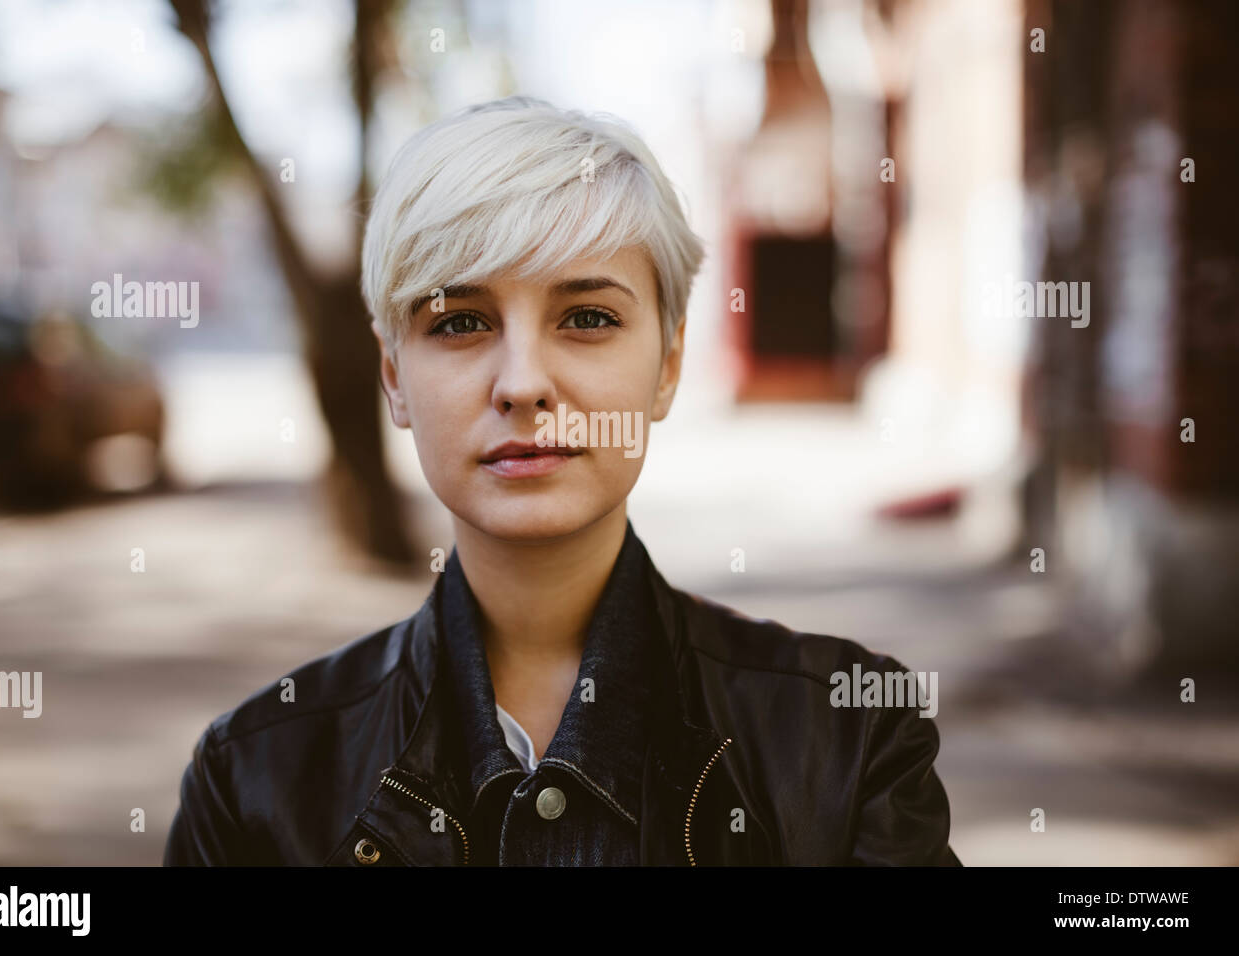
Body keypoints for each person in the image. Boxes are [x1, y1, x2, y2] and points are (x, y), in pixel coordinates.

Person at [163, 95, 960, 866]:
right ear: (394, 377)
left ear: (668, 364)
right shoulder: (252, 779)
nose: (523, 384)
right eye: (460, 322)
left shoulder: (849, 736)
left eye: (587, 318)